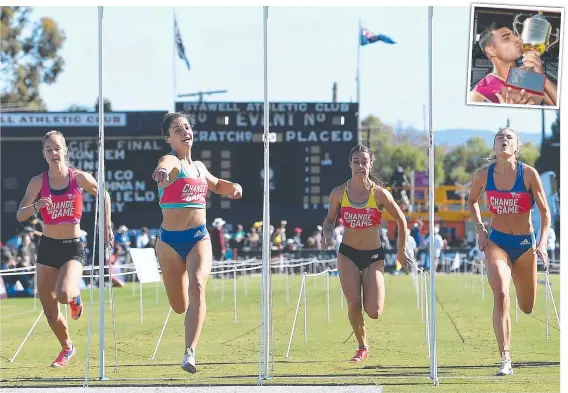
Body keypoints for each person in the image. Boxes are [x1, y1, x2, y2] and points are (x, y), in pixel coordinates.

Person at [151, 112, 242, 374]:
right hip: (168, 244)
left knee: (198, 285)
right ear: (169, 138)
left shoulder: (200, 167)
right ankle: (187, 328)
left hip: (198, 238)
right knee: (179, 306)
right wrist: (161, 172)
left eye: (187, 127)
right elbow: (165, 165)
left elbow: (216, 185)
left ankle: (189, 352)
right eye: (177, 130)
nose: (184, 132)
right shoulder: (171, 161)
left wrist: (234, 187)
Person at [16, 130, 113, 368]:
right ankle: (67, 347)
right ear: (43, 154)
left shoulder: (78, 178)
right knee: (49, 308)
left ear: (65, 150)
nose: (53, 153)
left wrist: (106, 225)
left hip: (72, 248)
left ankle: (74, 297)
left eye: (57, 148)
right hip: (48, 247)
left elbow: (104, 194)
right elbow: (20, 215)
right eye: (48, 150)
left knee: (63, 294)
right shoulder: (38, 182)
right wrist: (36, 205)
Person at [468, 127, 551, 376]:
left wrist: (543, 242)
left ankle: (508, 349)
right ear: (494, 147)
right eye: (499, 138)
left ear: (517, 146)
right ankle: (505, 358)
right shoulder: (483, 176)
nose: (504, 140)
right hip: (497, 243)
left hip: (525, 245)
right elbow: (471, 200)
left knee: (527, 306)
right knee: (501, 293)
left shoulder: (529, 174)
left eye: (509, 137)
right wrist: (480, 228)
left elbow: (545, 213)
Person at [322, 144, 412, 362]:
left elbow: (401, 220)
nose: (360, 166)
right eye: (356, 162)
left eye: (364, 162)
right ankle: (362, 346)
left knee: (374, 311)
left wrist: (401, 252)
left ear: (371, 164)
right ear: (350, 164)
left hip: (373, 256)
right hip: (348, 255)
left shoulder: (380, 194)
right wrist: (327, 233)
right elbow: (330, 220)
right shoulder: (339, 193)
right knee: (354, 304)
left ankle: (372, 291)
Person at [470, 24, 557, 106]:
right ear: (491, 51)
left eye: (514, 35)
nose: (517, 39)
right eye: (506, 38)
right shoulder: (478, 93)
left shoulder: (526, 77)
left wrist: (542, 77)